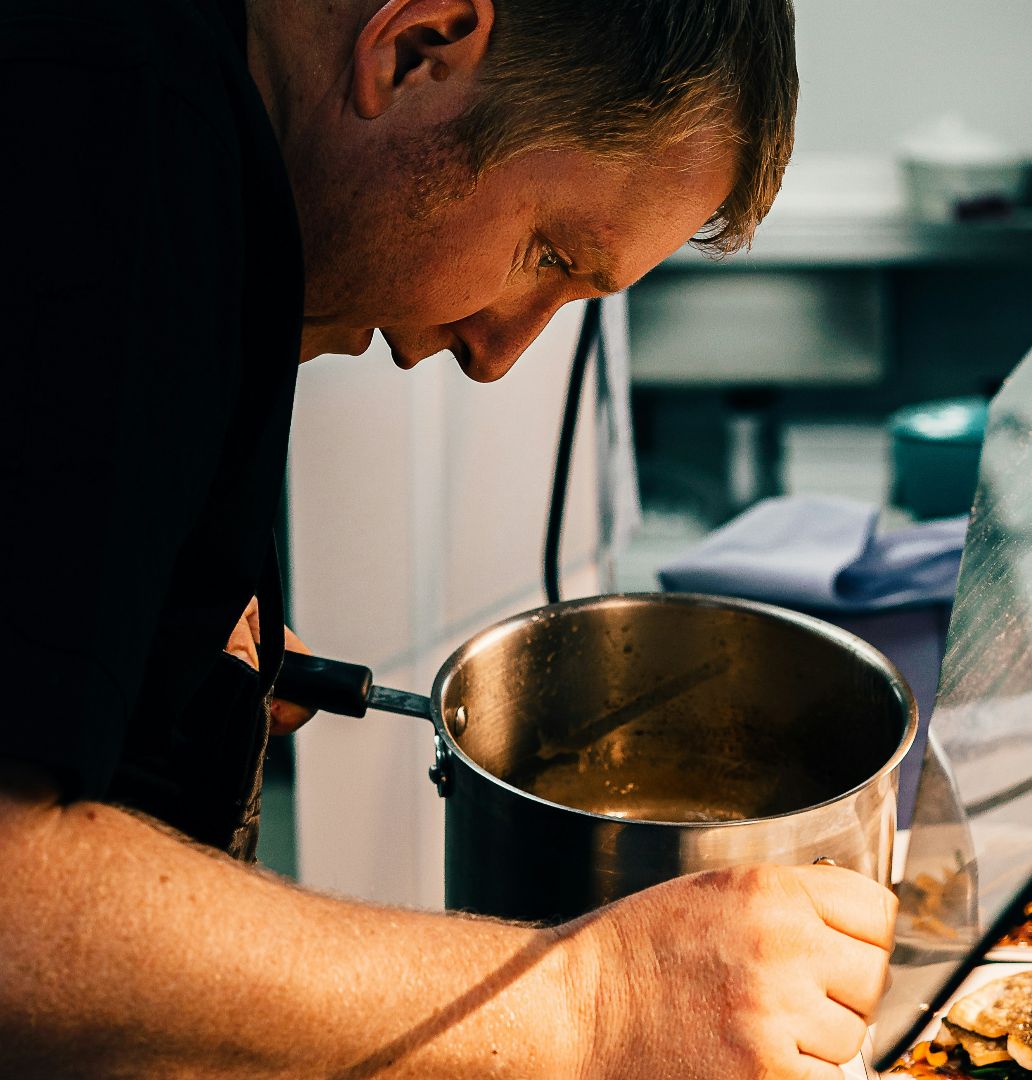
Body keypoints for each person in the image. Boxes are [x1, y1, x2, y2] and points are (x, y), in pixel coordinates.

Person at [0, 0, 897, 1075]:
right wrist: (591, 1004)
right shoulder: (111, 142)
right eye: (547, 252)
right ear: (417, 47)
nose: (498, 352)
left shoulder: (191, 152)